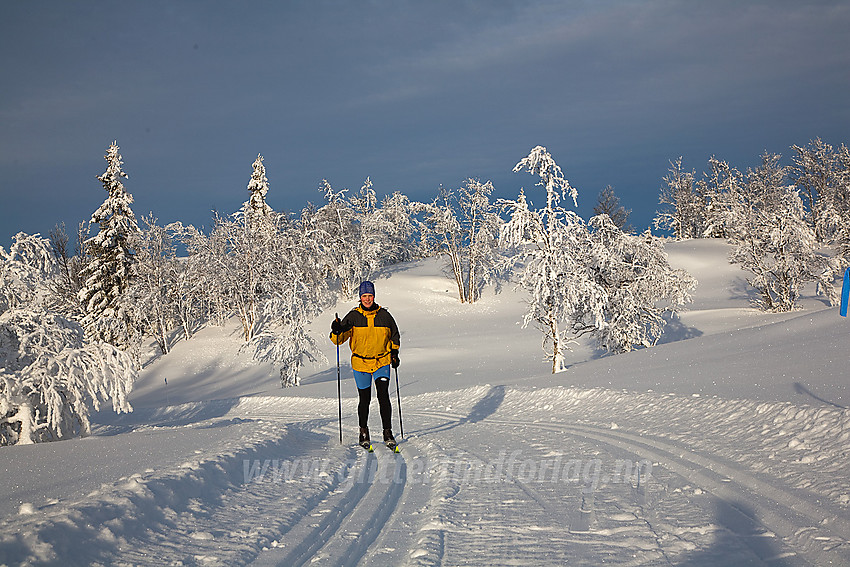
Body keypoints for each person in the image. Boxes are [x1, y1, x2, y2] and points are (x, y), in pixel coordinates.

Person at [330, 280, 400, 448]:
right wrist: (336, 330)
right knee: (365, 398)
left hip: (381, 361)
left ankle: (387, 432)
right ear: (360, 297)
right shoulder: (353, 316)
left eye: (370, 296)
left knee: (383, 396)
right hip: (360, 363)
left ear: (374, 296)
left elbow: (395, 335)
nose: (367, 299)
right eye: (364, 296)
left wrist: (395, 353)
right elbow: (339, 340)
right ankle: (363, 431)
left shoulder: (384, 315)